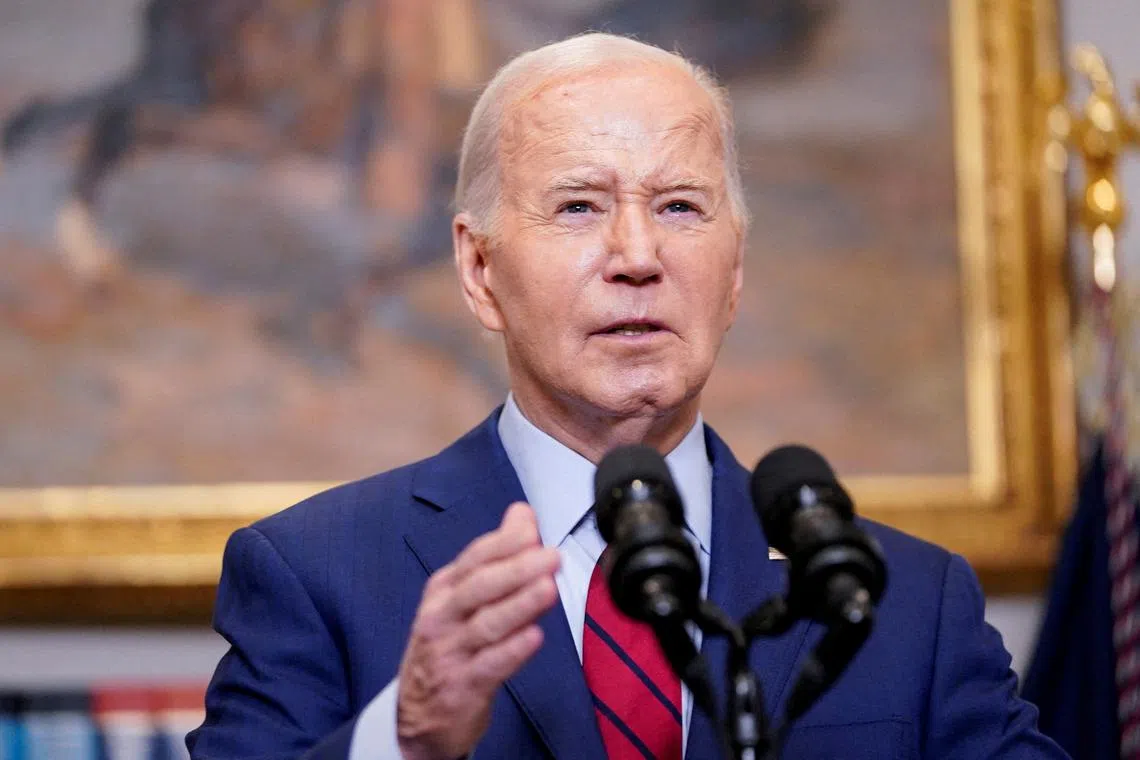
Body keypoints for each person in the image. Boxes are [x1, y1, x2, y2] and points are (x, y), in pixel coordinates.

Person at [186, 33, 1068, 760]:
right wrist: (404, 739)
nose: (638, 255)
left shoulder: (906, 600)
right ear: (480, 268)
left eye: (681, 207)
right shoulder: (319, 575)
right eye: (578, 207)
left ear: (733, 277)